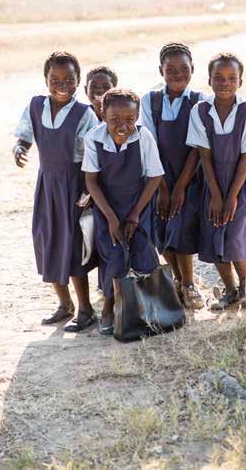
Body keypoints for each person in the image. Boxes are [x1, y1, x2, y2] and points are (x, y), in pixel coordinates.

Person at [13, 51, 99, 331]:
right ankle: (64, 304)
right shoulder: (36, 106)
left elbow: (93, 156)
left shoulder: (84, 113)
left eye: (69, 79)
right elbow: (24, 135)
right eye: (55, 79)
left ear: (78, 81)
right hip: (47, 184)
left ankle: (85, 309)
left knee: (73, 246)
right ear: (45, 80)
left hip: (73, 186)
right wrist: (20, 147)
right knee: (46, 240)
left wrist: (88, 190)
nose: (62, 84)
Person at [82, 88, 164, 335]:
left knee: (142, 253)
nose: (122, 126)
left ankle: (150, 310)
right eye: (115, 120)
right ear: (102, 115)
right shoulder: (93, 138)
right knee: (114, 256)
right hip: (108, 206)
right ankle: (109, 306)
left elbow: (155, 176)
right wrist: (110, 218)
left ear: (137, 116)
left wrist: (135, 214)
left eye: (129, 119)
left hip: (138, 204)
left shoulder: (144, 137)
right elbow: (91, 181)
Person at [186, 52, 246, 309]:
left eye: (232, 78)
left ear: (240, 81)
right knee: (215, 231)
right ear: (209, 80)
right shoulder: (201, 110)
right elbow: (204, 156)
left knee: (236, 236)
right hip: (213, 179)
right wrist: (217, 196)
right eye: (218, 77)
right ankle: (229, 290)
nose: (225, 83)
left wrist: (231, 197)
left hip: (243, 181)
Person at [139, 42, 205, 310]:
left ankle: (189, 283)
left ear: (193, 70)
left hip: (189, 176)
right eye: (171, 69)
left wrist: (178, 189)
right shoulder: (150, 101)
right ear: (160, 71)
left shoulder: (200, 101)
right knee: (161, 227)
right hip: (157, 175)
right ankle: (177, 279)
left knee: (182, 227)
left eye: (184, 69)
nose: (178, 74)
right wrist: (164, 188)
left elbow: (198, 148)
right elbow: (149, 143)